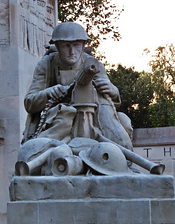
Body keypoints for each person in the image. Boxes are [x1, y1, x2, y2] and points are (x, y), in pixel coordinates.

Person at [23, 22, 133, 151]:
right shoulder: (46, 65)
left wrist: (113, 91)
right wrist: (50, 92)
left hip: (93, 119)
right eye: (66, 46)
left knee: (124, 122)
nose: (72, 51)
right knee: (65, 116)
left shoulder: (93, 64)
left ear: (83, 46)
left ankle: (122, 161)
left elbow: (111, 104)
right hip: (60, 121)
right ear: (57, 46)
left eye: (76, 45)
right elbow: (29, 102)